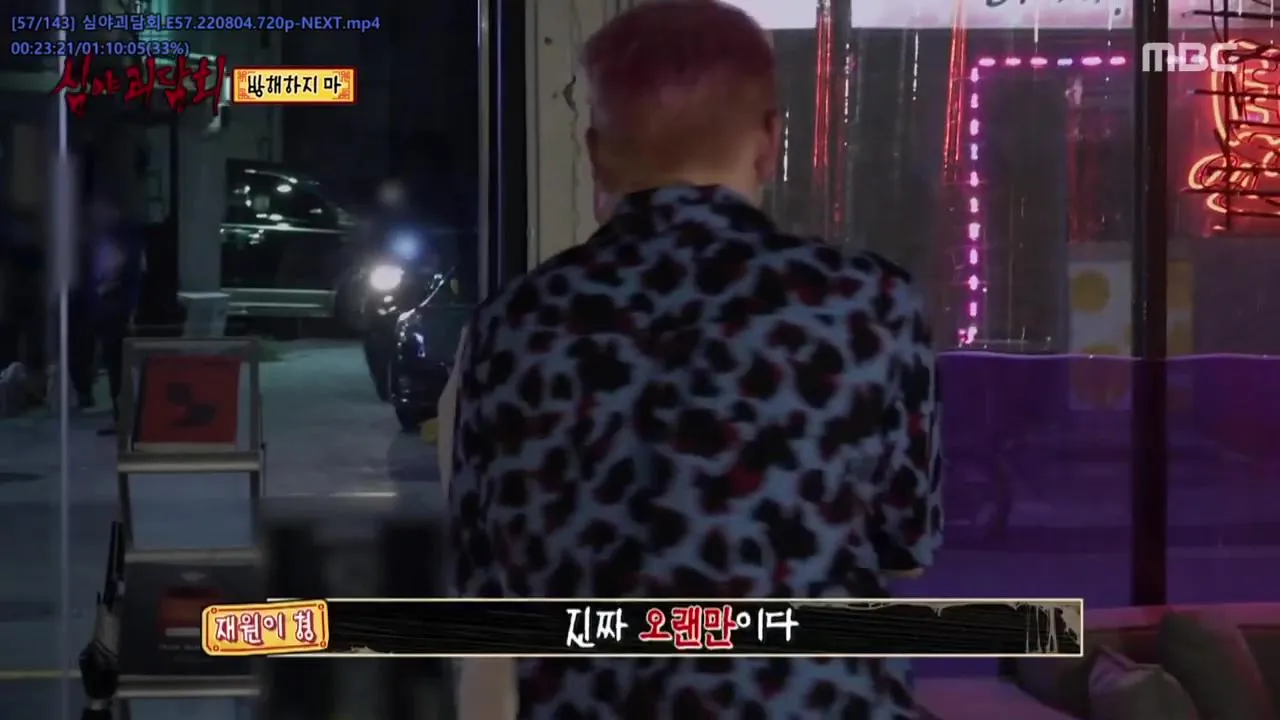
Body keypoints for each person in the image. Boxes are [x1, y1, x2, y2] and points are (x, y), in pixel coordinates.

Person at [443, 1, 942, 717]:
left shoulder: (512, 325)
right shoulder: (871, 304)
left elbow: (486, 578)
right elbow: (907, 546)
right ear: (769, 142)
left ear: (596, 153)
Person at [69, 197, 145, 433]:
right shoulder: (95, 241)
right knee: (97, 355)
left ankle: (123, 415)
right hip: (97, 306)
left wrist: (129, 309)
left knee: (117, 364)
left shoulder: (126, 241)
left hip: (115, 309)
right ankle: (93, 397)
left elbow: (133, 277)